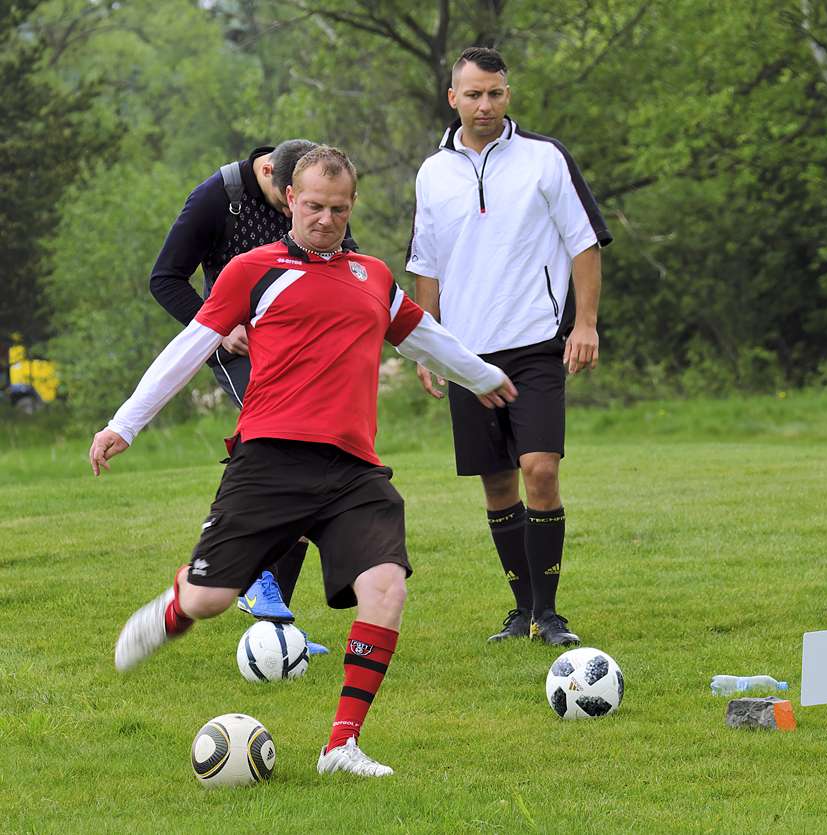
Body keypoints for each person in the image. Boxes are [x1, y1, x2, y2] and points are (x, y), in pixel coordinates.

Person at [90, 146, 517, 777]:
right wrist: (125, 423)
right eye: (313, 205)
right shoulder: (250, 271)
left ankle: (340, 746)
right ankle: (177, 606)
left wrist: (480, 377)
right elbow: (189, 348)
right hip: (269, 459)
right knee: (212, 599)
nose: (324, 218)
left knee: (386, 588)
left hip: (352, 470)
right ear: (290, 198)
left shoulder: (373, 275)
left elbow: (423, 333)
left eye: (337, 209)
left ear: (351, 207)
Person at [406, 47, 612, 646]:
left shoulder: (544, 160)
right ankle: (520, 611)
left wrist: (586, 324)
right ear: (453, 98)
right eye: (473, 94)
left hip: (537, 344)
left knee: (539, 471)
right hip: (467, 357)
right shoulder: (431, 172)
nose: (485, 104)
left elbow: (584, 244)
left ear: (507, 94)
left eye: (495, 92)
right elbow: (426, 267)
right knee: (497, 485)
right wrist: (429, 348)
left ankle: (550, 615)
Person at [150, 139, 355, 643]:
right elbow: (165, 279)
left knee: (313, 461)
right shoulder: (215, 198)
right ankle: (239, 564)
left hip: (299, 351)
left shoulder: (313, 199)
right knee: (278, 448)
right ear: (268, 173)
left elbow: (343, 261)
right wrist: (218, 327)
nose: (301, 211)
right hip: (237, 346)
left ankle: (275, 619)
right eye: (289, 200)